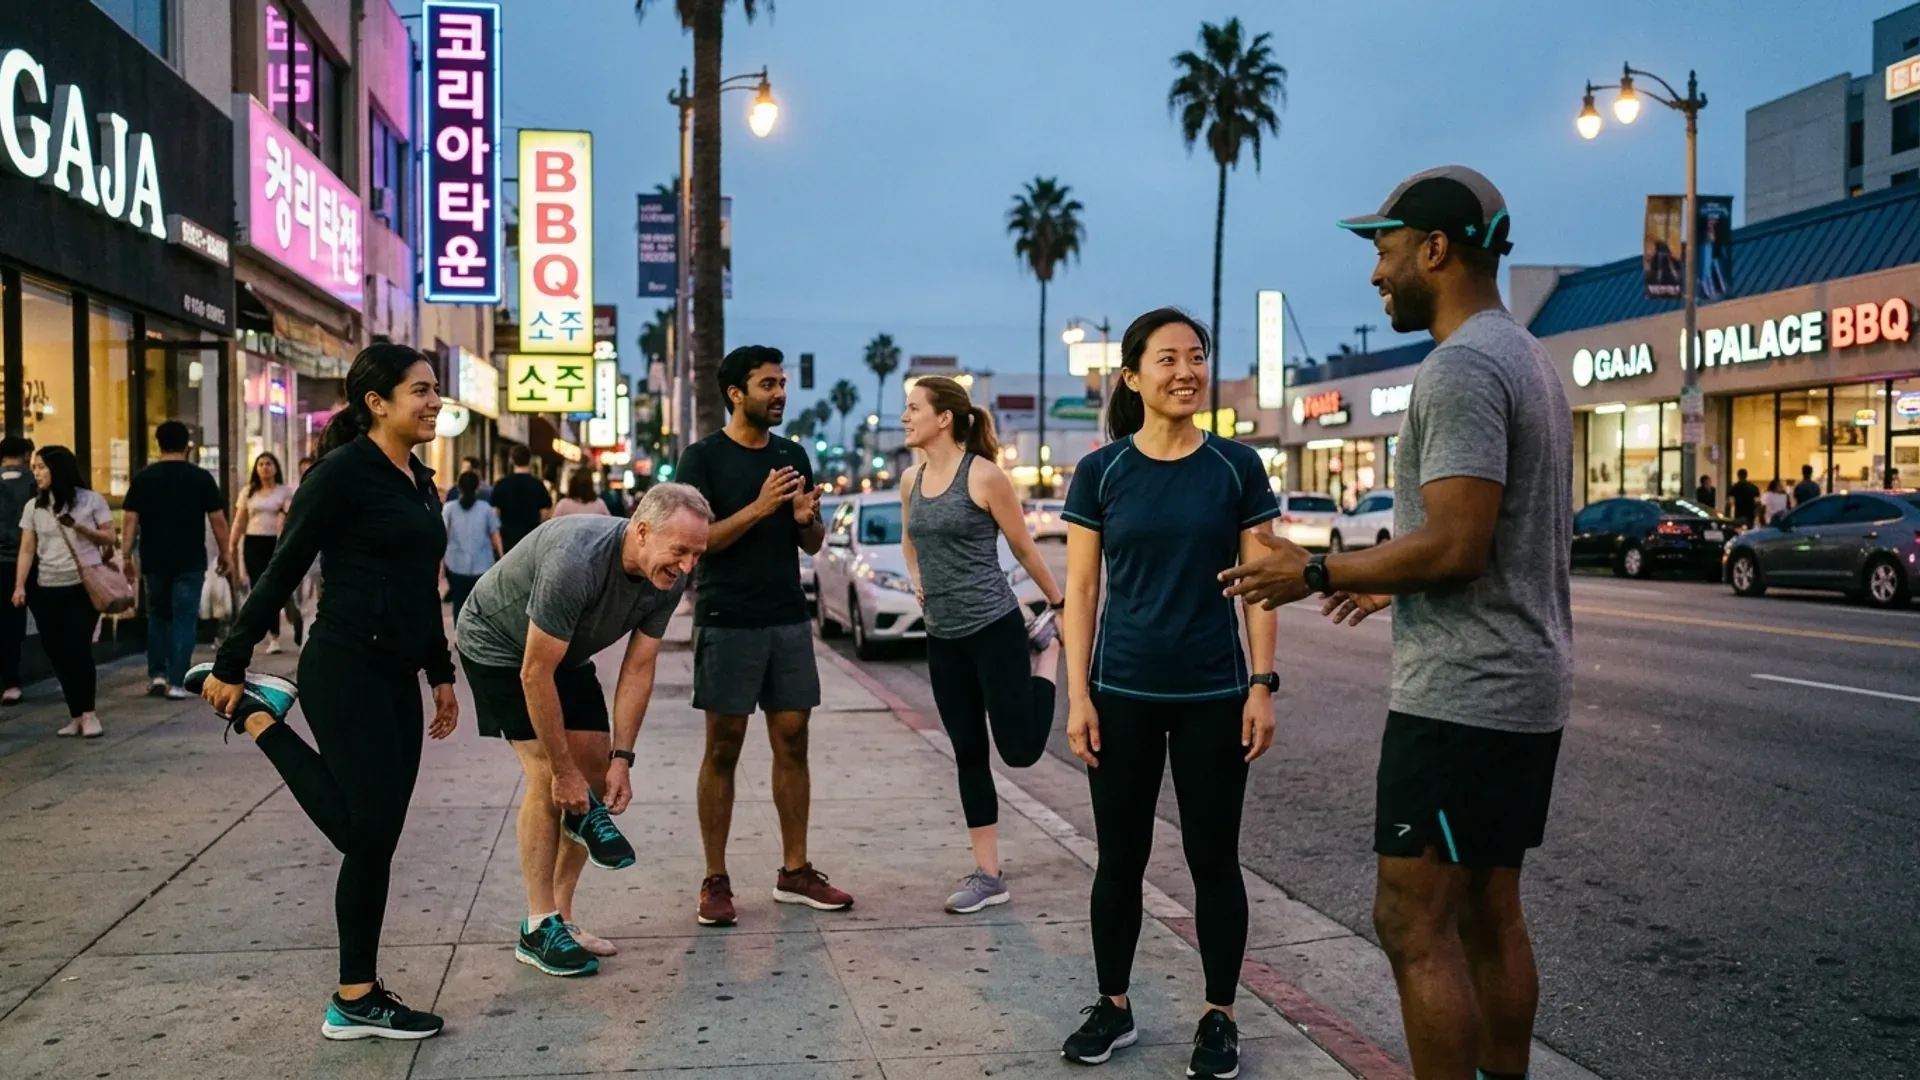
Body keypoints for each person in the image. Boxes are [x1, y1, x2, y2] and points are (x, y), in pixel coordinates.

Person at [1220, 166, 1571, 1080]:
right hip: (1521, 685)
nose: (1376, 275)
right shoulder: (1526, 355)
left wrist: (1315, 569)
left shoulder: (1459, 367)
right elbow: (1480, 539)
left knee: (1412, 921)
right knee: (1491, 907)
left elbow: (1457, 544)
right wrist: (1388, 579)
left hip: (1464, 696)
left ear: (1435, 248)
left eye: (1382, 252)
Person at [188, 343, 458, 1042]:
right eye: (420, 391)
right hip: (344, 666)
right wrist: (231, 659)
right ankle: (256, 716)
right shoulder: (342, 474)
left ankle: (357, 995)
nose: (433, 402)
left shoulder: (418, 480)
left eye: (435, 390)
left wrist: (440, 673)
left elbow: (424, 587)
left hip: (398, 671)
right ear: (377, 402)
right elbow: (283, 568)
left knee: (378, 840)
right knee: (360, 830)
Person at [1055, 309, 1280, 1078]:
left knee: (1213, 857)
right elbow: (1080, 590)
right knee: (1120, 858)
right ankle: (1113, 1006)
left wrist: (1261, 685)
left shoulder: (1236, 467)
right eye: (1168, 359)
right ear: (1132, 375)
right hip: (1120, 691)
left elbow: (1260, 589)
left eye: (1197, 357)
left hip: (1216, 692)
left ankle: (1219, 1016)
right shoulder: (1103, 471)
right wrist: (1077, 695)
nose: (1186, 371)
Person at [456, 483, 712, 976]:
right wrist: (563, 770)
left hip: (564, 651)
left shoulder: (669, 579)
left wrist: (622, 759)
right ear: (641, 531)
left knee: (591, 774)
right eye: (679, 551)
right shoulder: (575, 560)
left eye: (696, 555)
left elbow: (639, 668)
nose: (687, 566)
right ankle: (537, 925)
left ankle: (564, 918)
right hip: (498, 646)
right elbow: (534, 672)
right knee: (548, 777)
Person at [675, 345, 851, 928]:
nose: (779, 393)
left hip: (787, 617)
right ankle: (714, 879)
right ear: (736, 393)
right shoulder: (702, 460)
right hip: (728, 619)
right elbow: (694, 545)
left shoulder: (791, 453)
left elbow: (811, 544)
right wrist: (758, 508)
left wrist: (806, 519)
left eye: (781, 383)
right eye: (767, 384)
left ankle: (795, 871)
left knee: (794, 738)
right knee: (723, 746)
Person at [897, 375, 1066, 915]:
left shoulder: (984, 476)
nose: (906, 417)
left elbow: (1022, 546)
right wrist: (917, 578)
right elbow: (909, 538)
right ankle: (989, 876)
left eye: (913, 408)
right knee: (969, 753)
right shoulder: (910, 479)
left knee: (1019, 750)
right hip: (943, 638)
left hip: (993, 628)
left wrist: (1060, 604)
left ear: (944, 417)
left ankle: (1048, 654)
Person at [12, 446, 117, 737]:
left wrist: (82, 528)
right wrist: (20, 585)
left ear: (58, 470)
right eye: (34, 467)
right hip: (47, 588)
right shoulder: (34, 507)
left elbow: (110, 537)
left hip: (83, 588)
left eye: (42, 467)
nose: (36, 472)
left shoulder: (90, 501)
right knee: (57, 652)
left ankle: (89, 713)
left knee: (78, 648)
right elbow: (27, 549)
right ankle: (74, 715)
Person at [121, 421, 231, 697]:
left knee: (157, 615)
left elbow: (130, 520)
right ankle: (177, 681)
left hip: (154, 558)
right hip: (190, 558)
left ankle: (157, 674)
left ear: (158, 443)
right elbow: (218, 520)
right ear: (187, 445)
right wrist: (226, 553)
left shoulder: (144, 478)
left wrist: (125, 555)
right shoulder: (200, 478)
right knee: (184, 618)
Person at [230, 452, 304, 655]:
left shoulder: (284, 491)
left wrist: (284, 511)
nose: (265, 468)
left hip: (276, 543)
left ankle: (276, 634)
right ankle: (270, 632)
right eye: (261, 464)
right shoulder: (248, 492)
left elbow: (292, 516)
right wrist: (231, 544)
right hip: (253, 543)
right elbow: (239, 520)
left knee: (274, 587)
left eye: (269, 464)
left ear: (275, 467)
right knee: (259, 588)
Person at [0, 437, 35, 706]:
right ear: (26, 454)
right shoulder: (35, 483)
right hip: (29, 559)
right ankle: (12, 682)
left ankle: (8, 680)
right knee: (16, 622)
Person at [442, 471, 502, 624]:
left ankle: (459, 636)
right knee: (478, 606)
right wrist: (501, 558)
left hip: (455, 564)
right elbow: (495, 537)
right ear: (478, 488)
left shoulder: (449, 509)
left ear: (459, 488)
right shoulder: (486, 509)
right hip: (482, 565)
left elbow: (443, 537)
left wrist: (440, 563)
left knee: (458, 603)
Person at [490, 445, 553, 552]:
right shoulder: (538, 485)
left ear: (511, 460)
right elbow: (545, 514)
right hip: (531, 539)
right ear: (529, 460)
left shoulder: (501, 484)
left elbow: (495, 514)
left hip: (507, 540)